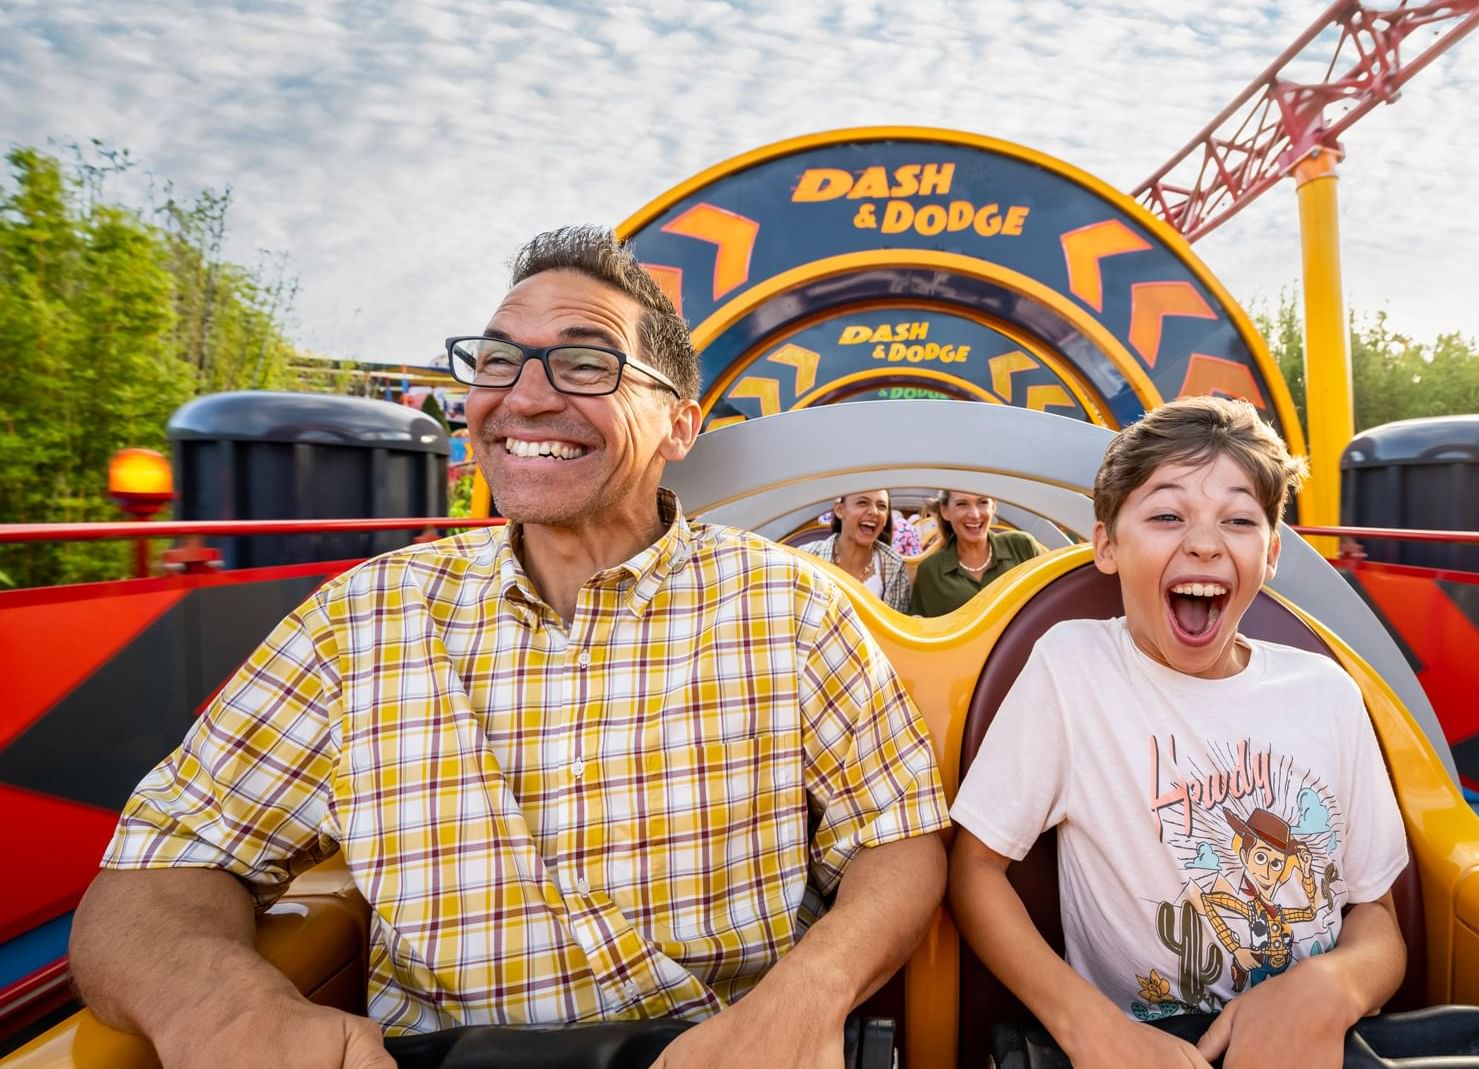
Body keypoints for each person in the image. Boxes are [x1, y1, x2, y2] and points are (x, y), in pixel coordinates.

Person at [69, 225, 951, 1069]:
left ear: (680, 426)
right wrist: (228, 1014)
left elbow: (898, 840)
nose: (524, 396)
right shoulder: (364, 617)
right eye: (498, 360)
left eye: (584, 362)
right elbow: (162, 864)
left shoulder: (787, 605)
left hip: (705, 1045)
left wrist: (801, 1003)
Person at [946, 397, 1407, 1069]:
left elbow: (1378, 915)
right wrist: (1091, 1028)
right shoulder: (1073, 668)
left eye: (1239, 520)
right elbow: (974, 870)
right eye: (1167, 515)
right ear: (1106, 542)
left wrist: (1332, 985)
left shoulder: (1328, 693)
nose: (1203, 542)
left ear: (1271, 551)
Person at [909, 491, 1045, 617]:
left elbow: (1048, 603)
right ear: (945, 511)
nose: (974, 514)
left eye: (983, 502)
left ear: (993, 506)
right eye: (962, 504)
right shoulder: (930, 571)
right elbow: (921, 629)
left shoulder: (1022, 546)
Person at [805, 489, 913, 611]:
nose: (874, 511)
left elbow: (899, 623)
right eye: (862, 503)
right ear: (840, 510)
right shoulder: (807, 558)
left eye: (881, 506)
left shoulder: (895, 566)